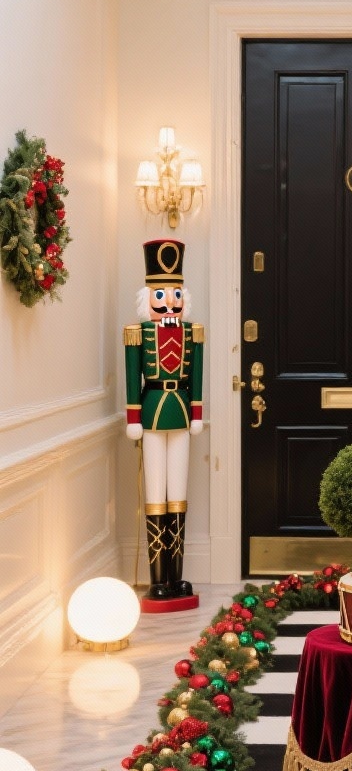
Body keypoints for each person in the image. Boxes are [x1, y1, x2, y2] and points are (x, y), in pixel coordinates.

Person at [123, 239, 204, 604]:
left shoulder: (192, 333)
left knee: (178, 496)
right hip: (153, 409)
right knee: (156, 494)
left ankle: (177, 577)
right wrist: (133, 417)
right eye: (161, 294)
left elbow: (197, 376)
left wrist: (198, 412)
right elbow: (131, 378)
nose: (169, 301)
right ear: (148, 297)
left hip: (182, 412)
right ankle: (159, 578)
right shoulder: (139, 333)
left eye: (174, 293)